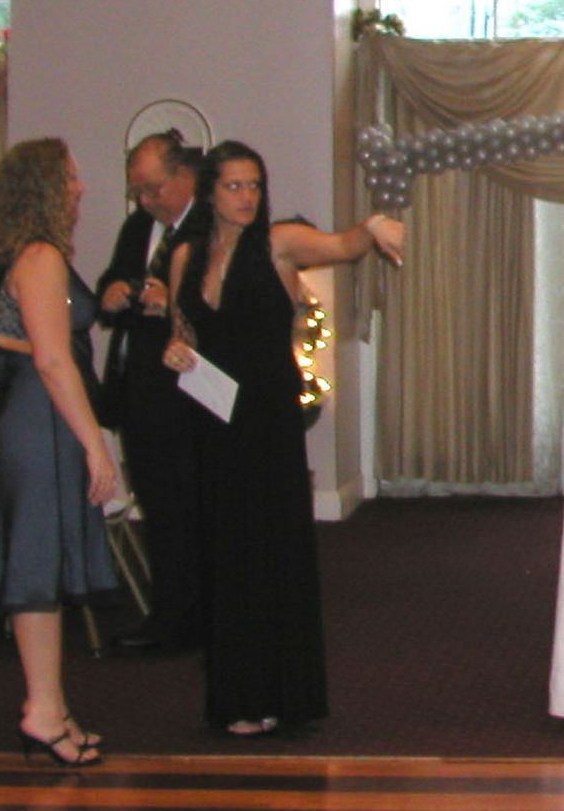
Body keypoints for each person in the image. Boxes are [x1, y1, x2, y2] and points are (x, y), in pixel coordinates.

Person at [161, 141, 403, 737]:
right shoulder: (184, 255)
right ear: (209, 192)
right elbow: (183, 330)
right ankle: (235, 695)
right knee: (224, 553)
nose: (247, 198)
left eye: (255, 186)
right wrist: (175, 351)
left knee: (269, 550)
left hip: (267, 418)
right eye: (235, 186)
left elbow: (343, 246)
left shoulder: (277, 242)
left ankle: (279, 693)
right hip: (214, 416)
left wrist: (373, 224)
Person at [0, 138, 121, 764]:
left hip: (35, 419)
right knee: (37, 568)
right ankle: (41, 711)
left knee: (44, 571)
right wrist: (97, 447)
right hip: (41, 422)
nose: (80, 188)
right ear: (44, 189)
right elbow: (56, 362)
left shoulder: (28, 255)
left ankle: (49, 706)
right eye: (72, 178)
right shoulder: (40, 257)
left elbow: (11, 340)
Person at [94, 130, 202, 651]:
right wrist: (112, 294)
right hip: (139, 387)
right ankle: (167, 613)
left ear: (184, 178)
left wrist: (174, 303)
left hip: (188, 393)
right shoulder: (139, 226)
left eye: (153, 188)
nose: (145, 200)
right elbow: (113, 284)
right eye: (138, 190)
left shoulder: (208, 227)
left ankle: (195, 616)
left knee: (190, 508)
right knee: (157, 506)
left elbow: (220, 309)